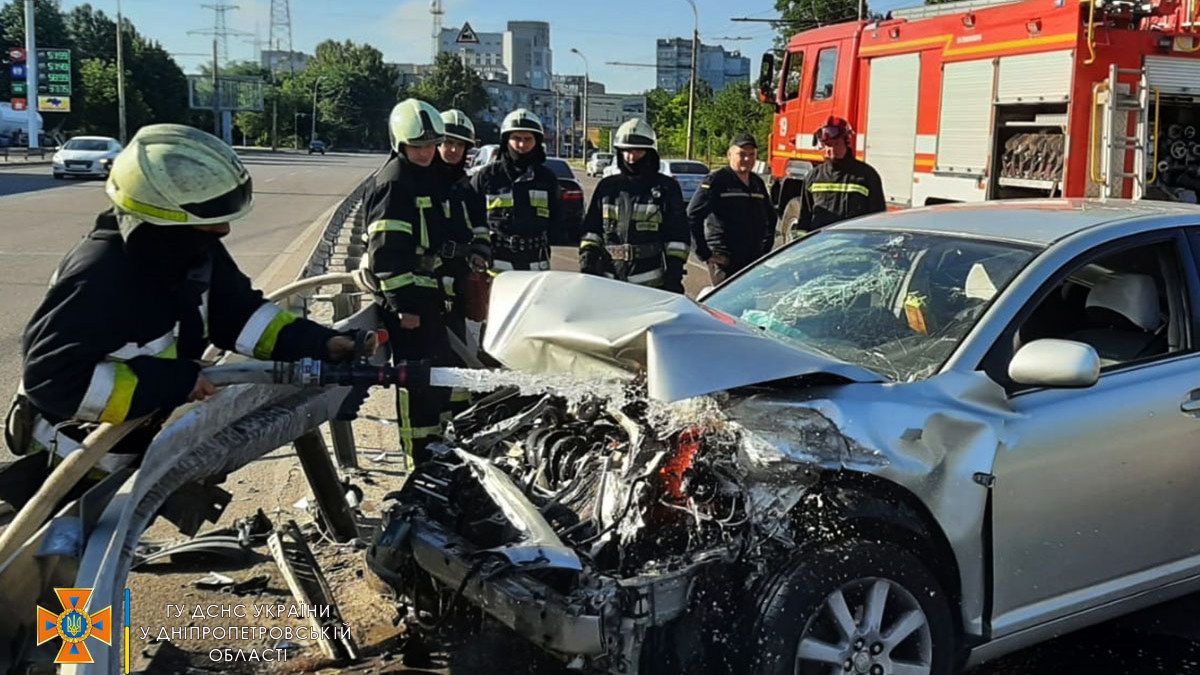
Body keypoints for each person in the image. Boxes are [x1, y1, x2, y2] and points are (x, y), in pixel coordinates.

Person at [12, 123, 364, 474]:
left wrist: (324, 344)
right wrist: (175, 381)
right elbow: (52, 379)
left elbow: (240, 316)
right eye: (209, 222)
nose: (223, 231)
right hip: (73, 466)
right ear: (160, 218)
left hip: (136, 457)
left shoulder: (191, 251)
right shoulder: (101, 275)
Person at [362, 98, 471, 464]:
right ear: (399, 142)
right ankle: (419, 460)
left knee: (438, 379)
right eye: (418, 146)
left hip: (429, 296)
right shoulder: (394, 184)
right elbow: (386, 255)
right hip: (410, 304)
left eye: (430, 145)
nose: (426, 152)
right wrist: (402, 307)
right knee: (416, 386)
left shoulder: (423, 177)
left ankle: (440, 454)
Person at [579, 118, 689, 292]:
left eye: (638, 151)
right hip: (609, 280)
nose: (631, 157)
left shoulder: (666, 187)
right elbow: (592, 231)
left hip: (651, 283)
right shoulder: (607, 186)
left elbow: (678, 236)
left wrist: (674, 275)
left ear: (650, 152)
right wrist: (587, 262)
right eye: (626, 151)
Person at [436, 108, 490, 414]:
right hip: (425, 285)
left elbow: (481, 229)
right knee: (430, 359)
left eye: (459, 145)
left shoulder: (467, 188)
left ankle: (459, 418)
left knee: (462, 353)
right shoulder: (419, 183)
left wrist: (481, 252)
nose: (453, 150)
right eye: (447, 143)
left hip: (458, 281)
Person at [470, 108, 562, 271]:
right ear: (506, 141)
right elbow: (471, 218)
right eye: (516, 138)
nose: (522, 145)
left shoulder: (547, 179)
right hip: (495, 263)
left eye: (528, 139)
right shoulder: (486, 176)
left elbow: (557, 220)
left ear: (537, 142)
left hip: (536, 264)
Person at [686, 132, 776, 284]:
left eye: (751, 154)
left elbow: (771, 216)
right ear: (729, 155)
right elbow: (692, 216)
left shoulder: (756, 182)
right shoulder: (717, 181)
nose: (747, 159)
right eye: (741, 154)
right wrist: (705, 253)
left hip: (752, 258)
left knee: (749, 303)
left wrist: (766, 247)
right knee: (726, 305)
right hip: (725, 259)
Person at [786, 116, 886, 239]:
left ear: (847, 142)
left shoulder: (866, 176)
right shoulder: (813, 177)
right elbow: (804, 219)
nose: (831, 150)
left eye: (836, 144)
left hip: (854, 247)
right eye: (828, 145)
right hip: (820, 247)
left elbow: (878, 219)